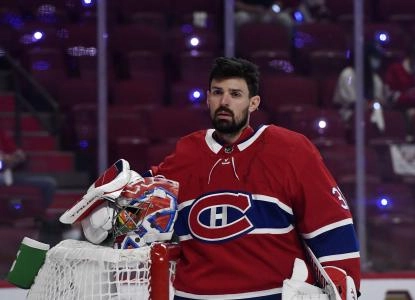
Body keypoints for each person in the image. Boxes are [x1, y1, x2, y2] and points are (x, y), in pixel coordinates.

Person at [77, 57, 361, 299]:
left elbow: (330, 222)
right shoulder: (186, 153)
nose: (225, 101)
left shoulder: (290, 150)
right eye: (217, 92)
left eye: (236, 94)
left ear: (253, 103)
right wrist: (114, 222)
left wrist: (344, 277)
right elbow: (148, 202)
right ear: (208, 98)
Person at [0, 128, 57, 209]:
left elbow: (17, 154)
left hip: (8, 176)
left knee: (49, 184)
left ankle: (39, 216)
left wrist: (14, 157)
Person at [333, 42, 388, 123]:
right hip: (347, 114)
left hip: (371, 113)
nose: (376, 61)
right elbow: (352, 102)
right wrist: (367, 105)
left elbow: (379, 100)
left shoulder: (375, 78)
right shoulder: (348, 74)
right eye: (373, 57)